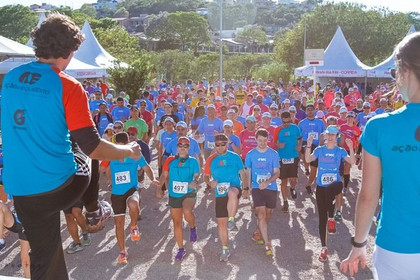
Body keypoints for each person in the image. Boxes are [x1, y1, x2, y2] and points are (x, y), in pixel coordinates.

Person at [0, 13, 142, 280]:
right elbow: (94, 148)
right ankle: (92, 211)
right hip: (60, 185)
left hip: (20, 189)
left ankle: (37, 224)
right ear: (69, 51)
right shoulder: (68, 85)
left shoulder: (10, 78)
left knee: (45, 260)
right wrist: (129, 151)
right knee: (87, 149)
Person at [341, 32, 420, 279]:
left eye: (395, 73)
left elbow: (368, 196)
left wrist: (358, 244)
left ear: (404, 70)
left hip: (399, 247)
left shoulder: (380, 127)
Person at [107, 132, 158, 264]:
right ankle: (122, 252)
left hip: (131, 188)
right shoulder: (110, 156)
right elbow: (106, 169)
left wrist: (153, 179)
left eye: (121, 146)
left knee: (134, 204)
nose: (120, 149)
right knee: (118, 224)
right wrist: (109, 181)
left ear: (126, 144)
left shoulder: (135, 155)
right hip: (117, 193)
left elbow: (146, 167)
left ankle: (134, 225)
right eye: (117, 146)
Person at [305, 126, 354, 262]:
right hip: (321, 187)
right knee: (322, 218)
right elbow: (308, 159)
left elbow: (352, 162)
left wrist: (351, 148)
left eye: (333, 134)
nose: (331, 137)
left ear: (337, 136)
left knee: (335, 187)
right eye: (329, 134)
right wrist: (308, 145)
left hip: (335, 185)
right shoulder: (320, 150)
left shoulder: (340, 151)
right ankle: (324, 247)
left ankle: (332, 217)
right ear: (326, 136)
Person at [204, 134, 248, 261]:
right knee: (221, 224)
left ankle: (232, 219)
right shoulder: (211, 159)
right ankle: (224, 249)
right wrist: (209, 182)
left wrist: (245, 189)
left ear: (227, 144)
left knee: (232, 192)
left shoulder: (234, 157)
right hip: (219, 193)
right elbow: (205, 176)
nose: (220, 147)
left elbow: (243, 173)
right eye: (217, 145)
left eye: (222, 144)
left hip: (234, 188)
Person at [156, 137, 200, 261]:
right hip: (174, 194)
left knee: (187, 211)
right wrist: (159, 188)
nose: (182, 148)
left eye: (185, 146)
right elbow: (164, 176)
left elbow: (197, 176)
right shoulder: (170, 160)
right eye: (180, 145)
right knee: (176, 222)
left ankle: (192, 227)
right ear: (176, 147)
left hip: (189, 193)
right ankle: (181, 249)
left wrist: (195, 182)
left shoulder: (193, 161)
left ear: (189, 148)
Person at [245, 128, 280, 257]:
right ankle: (267, 243)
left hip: (271, 187)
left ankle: (257, 231)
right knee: (261, 214)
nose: (262, 143)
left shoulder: (273, 154)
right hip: (257, 188)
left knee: (267, 214)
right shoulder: (250, 154)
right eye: (260, 140)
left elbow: (277, 173)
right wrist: (247, 188)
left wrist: (268, 182)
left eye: (265, 140)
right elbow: (248, 172)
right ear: (256, 140)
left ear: (268, 140)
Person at [273, 111, 302, 212]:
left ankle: (293, 188)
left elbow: (299, 139)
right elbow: (274, 141)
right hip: (282, 157)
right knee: (283, 181)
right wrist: (278, 145)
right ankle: (285, 202)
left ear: (291, 119)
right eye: (284, 122)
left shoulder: (295, 128)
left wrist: (299, 146)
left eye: (288, 122)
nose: (286, 124)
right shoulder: (278, 129)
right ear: (281, 120)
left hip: (293, 156)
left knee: (293, 179)